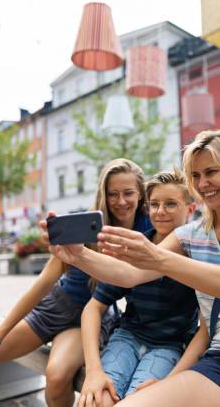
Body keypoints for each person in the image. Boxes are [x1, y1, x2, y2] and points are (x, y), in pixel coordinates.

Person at [43, 130, 220, 407]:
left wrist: (158, 258)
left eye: (211, 172)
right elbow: (128, 274)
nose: (202, 183)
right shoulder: (190, 235)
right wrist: (77, 255)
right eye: (195, 175)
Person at [0, 158, 151, 407]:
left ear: (141, 194)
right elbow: (45, 281)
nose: (121, 201)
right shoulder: (83, 227)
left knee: (57, 376)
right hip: (53, 309)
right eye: (113, 194)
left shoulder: (149, 231)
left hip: (89, 319)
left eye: (128, 193)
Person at [78, 169, 199, 407]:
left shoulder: (199, 254)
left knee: (138, 401)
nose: (160, 211)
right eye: (154, 204)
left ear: (191, 209)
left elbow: (205, 329)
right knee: (95, 400)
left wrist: (173, 380)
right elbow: (92, 308)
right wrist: (93, 371)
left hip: (168, 347)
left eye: (171, 204)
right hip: (127, 338)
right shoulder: (135, 247)